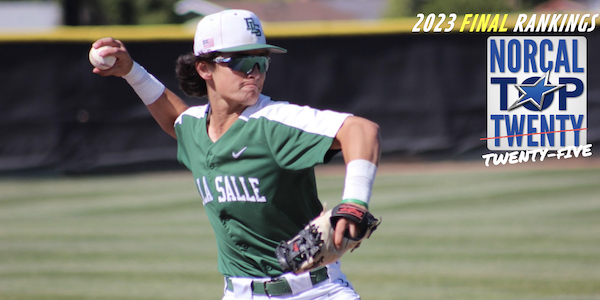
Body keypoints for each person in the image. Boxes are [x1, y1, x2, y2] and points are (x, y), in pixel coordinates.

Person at [92, 9, 380, 300]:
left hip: (317, 291)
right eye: (242, 61)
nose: (254, 71)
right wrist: (130, 71)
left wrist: (355, 200)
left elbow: (361, 130)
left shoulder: (275, 122)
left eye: (261, 61)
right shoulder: (194, 129)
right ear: (205, 69)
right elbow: (172, 117)